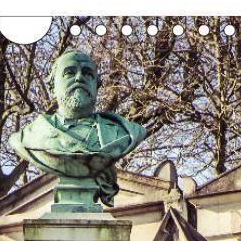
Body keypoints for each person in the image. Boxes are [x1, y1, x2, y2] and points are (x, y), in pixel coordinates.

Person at [9, 51, 146, 207]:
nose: (79, 78)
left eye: (87, 74)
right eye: (69, 73)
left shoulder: (125, 133)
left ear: (97, 86)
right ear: (53, 87)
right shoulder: (29, 138)